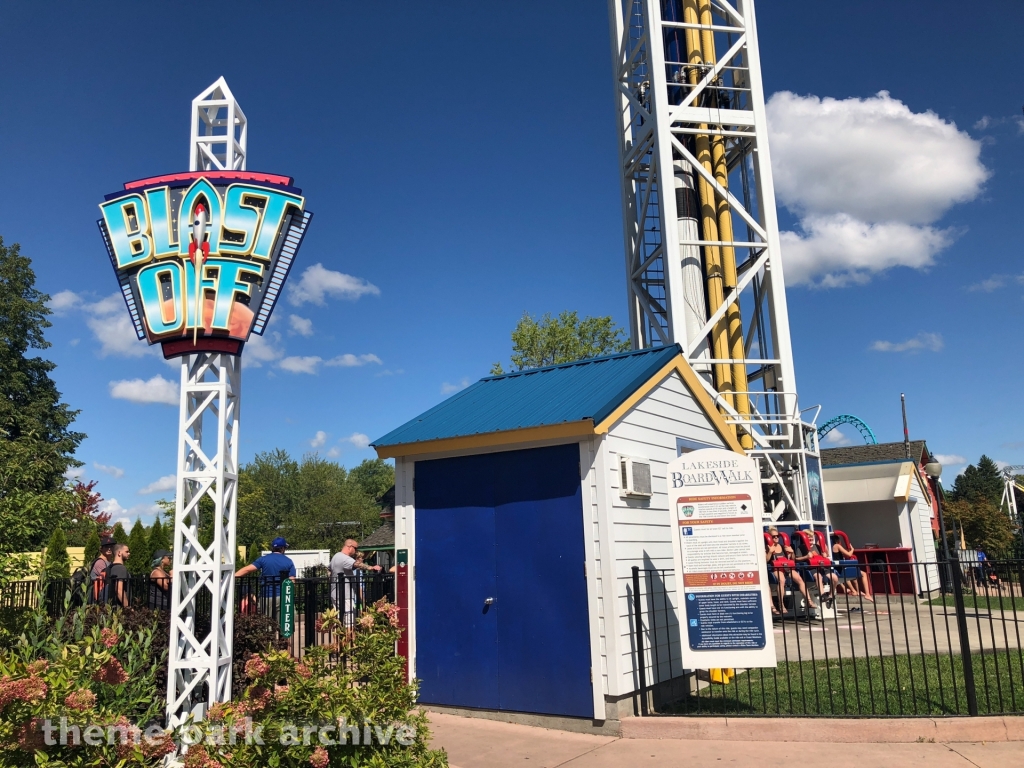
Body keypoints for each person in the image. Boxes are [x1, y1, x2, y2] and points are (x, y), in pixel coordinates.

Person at [235, 538, 296, 614]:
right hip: (283, 596)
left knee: (267, 622)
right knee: (284, 623)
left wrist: (231, 577)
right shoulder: (288, 561)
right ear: (282, 548)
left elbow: (247, 569)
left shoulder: (263, 559)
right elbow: (291, 581)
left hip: (266, 596)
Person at [765, 528, 815, 613]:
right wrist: (770, 552)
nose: (776, 538)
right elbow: (765, 560)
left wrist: (792, 552)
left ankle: (809, 601)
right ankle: (781, 604)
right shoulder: (767, 547)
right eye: (774, 537)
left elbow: (793, 559)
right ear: (770, 537)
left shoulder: (782, 546)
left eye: (777, 536)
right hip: (776, 568)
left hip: (786, 567)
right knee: (782, 580)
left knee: (799, 579)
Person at [831, 536, 874, 602]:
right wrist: (852, 549)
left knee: (852, 577)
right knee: (863, 574)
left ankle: (855, 590)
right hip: (841, 568)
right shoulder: (837, 546)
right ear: (838, 541)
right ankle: (867, 594)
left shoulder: (831, 547)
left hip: (839, 568)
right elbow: (849, 554)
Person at [88, 534, 116, 604]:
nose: (109, 549)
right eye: (106, 546)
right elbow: (107, 578)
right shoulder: (100, 562)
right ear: (101, 549)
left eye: (111, 546)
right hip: (98, 598)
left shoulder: (109, 562)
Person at [105, 544, 131, 608]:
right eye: (126, 552)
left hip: (112, 606)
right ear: (119, 553)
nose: (129, 553)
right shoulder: (120, 568)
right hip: (119, 608)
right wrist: (128, 608)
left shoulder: (110, 567)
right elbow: (119, 590)